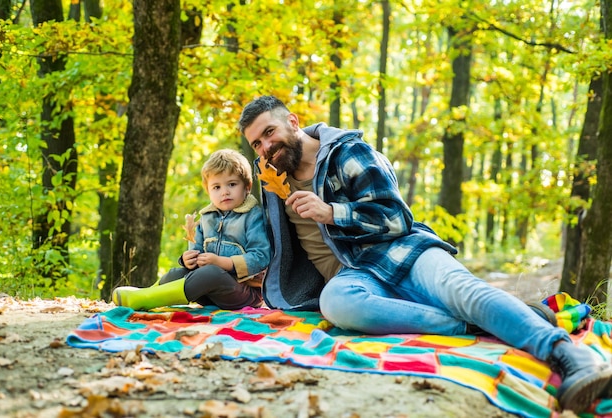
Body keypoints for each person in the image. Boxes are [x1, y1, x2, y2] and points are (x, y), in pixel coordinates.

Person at [238, 95, 612, 413]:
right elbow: (266, 243)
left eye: (269, 132)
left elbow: (397, 218)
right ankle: (476, 324)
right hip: (354, 274)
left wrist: (332, 212)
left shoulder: (348, 153)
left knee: (460, 289)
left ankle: (568, 355)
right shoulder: (273, 181)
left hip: (401, 250)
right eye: (256, 143)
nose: (266, 147)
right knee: (336, 304)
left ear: (292, 121)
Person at [112, 149, 270, 311]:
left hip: (244, 293)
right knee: (177, 273)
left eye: (232, 184)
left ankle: (144, 299)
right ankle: (147, 293)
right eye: (216, 187)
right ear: (208, 190)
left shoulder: (253, 216)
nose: (225, 192)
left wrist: (223, 263)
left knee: (211, 274)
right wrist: (189, 259)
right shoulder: (207, 218)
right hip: (209, 292)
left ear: (247, 187)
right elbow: (196, 250)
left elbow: (261, 257)